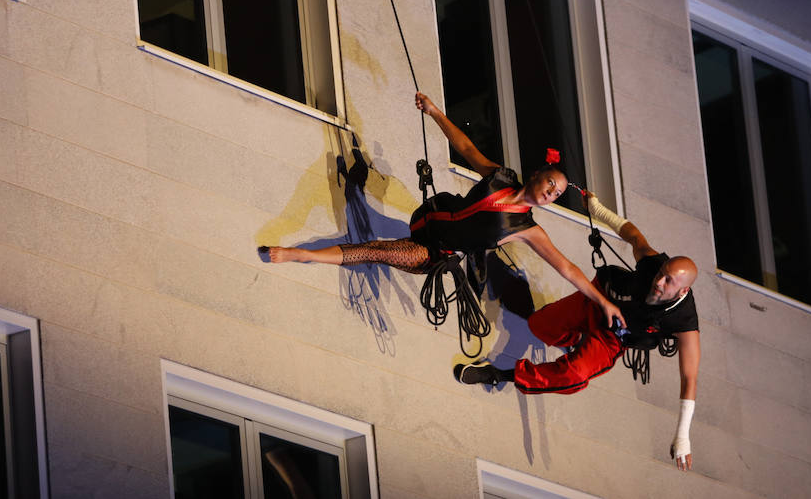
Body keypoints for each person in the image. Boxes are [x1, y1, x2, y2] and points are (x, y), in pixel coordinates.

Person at [261, 92, 623, 327]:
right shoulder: (499, 177)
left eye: (557, 194)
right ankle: (352, 193)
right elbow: (465, 147)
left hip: (433, 252)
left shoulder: (528, 229)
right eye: (550, 184)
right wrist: (434, 112)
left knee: (374, 250)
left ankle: (298, 253)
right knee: (377, 218)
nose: (550, 193)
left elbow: (570, 270)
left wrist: (603, 302)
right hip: (429, 215)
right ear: (536, 175)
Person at [454, 191, 701, 472]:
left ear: (683, 290)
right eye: (662, 274)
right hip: (598, 297)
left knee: (574, 376)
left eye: (668, 281)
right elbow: (633, 234)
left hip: (612, 335)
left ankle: (501, 373)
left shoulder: (685, 321)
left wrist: (683, 435)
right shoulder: (652, 264)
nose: (659, 281)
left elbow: (689, 378)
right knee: (538, 326)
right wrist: (598, 210)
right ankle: (572, 340)